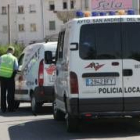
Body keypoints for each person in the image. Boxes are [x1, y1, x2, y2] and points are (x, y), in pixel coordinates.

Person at [0, 46, 18, 112]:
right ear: (12, 51)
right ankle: (10, 108)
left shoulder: (1, 57)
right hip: (10, 77)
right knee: (10, 93)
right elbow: (16, 68)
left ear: (7, 50)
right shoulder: (14, 58)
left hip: (2, 77)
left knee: (3, 93)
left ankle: (3, 108)